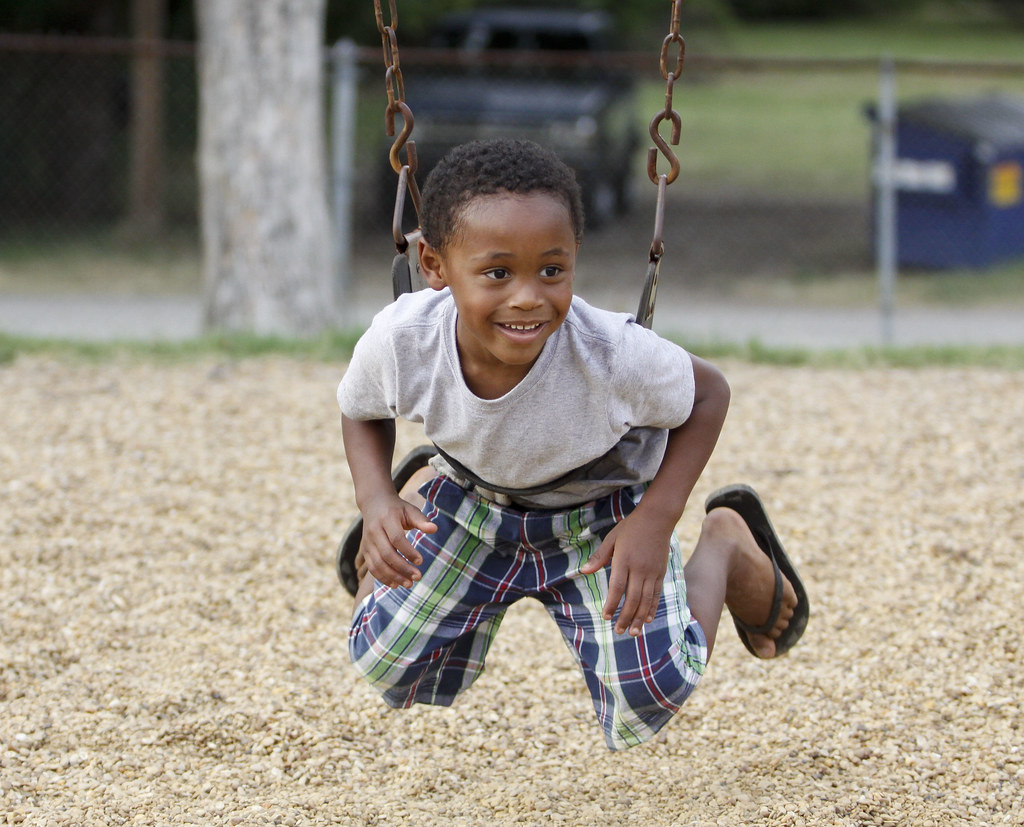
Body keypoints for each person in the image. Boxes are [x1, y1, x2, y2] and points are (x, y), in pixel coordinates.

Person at [336, 138, 808, 750]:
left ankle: (723, 543)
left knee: (652, 697)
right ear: (434, 264)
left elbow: (709, 394)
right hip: (475, 501)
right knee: (389, 666)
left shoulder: (610, 353)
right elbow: (360, 408)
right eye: (498, 272)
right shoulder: (405, 337)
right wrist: (375, 501)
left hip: (599, 518)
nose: (529, 296)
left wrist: (656, 521)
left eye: (551, 270)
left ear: (574, 258)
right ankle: (414, 499)